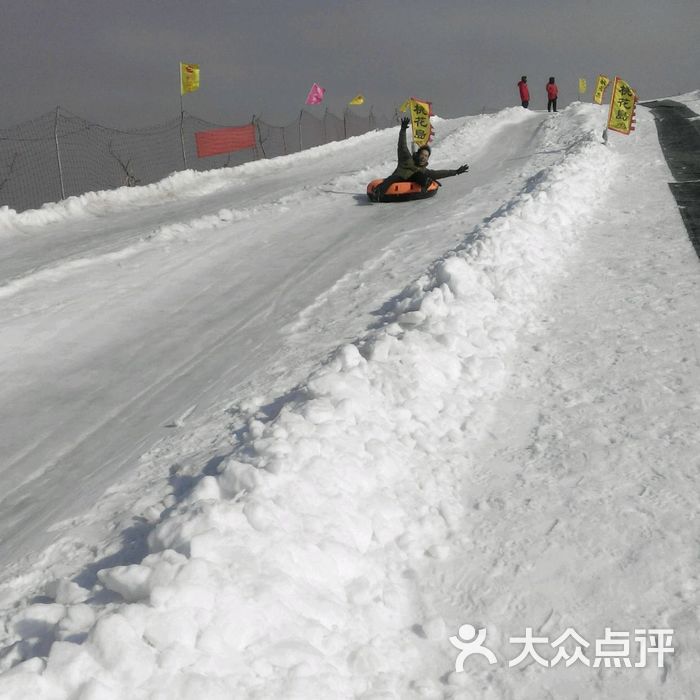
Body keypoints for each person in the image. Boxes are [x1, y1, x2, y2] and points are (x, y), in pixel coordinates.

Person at [372, 117, 469, 201]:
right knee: (391, 179)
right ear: (418, 155)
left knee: (420, 174)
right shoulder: (407, 159)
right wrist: (403, 130)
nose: (423, 157)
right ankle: (378, 193)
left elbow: (438, 173)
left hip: (415, 182)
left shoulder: (423, 170)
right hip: (398, 178)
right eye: (422, 154)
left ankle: (426, 183)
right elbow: (402, 145)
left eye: (426, 156)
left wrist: (456, 172)